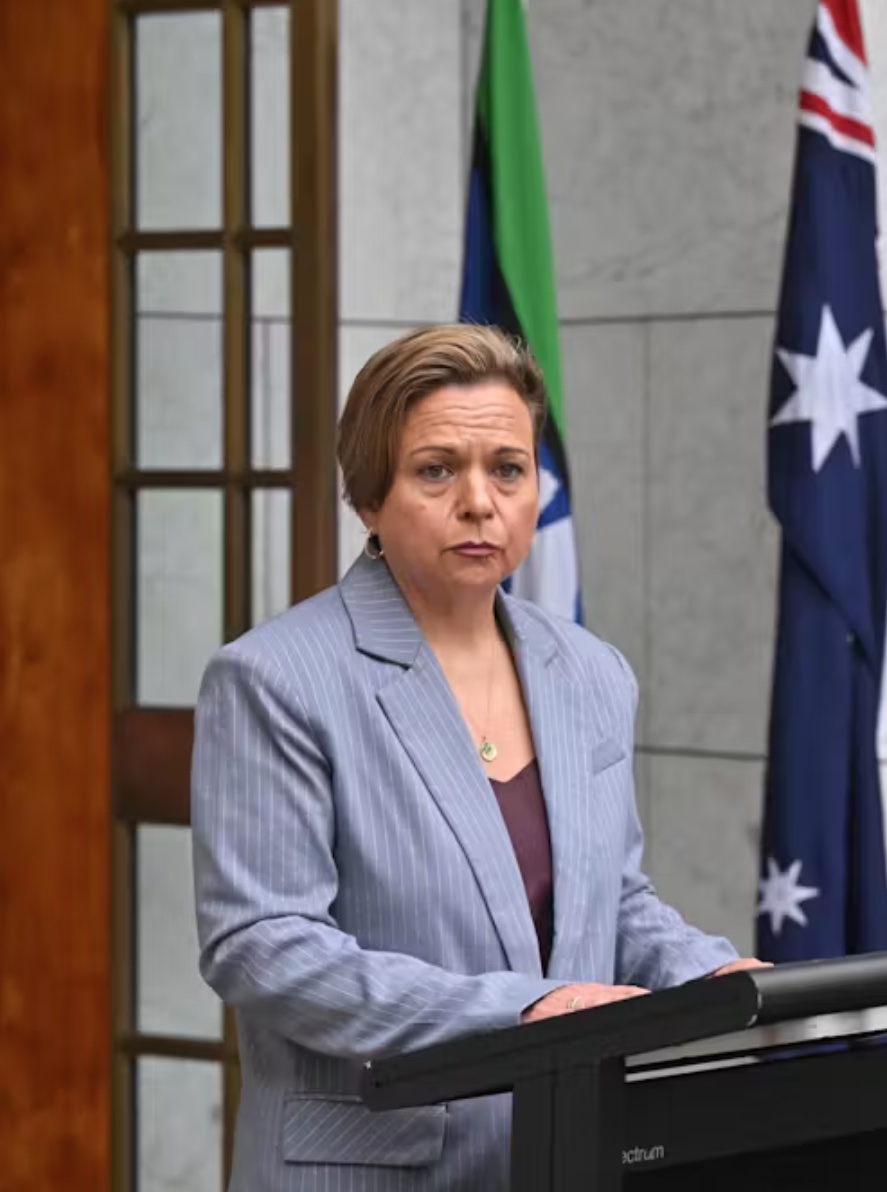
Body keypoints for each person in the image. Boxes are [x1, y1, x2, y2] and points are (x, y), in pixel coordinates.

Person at [191, 324, 765, 1190]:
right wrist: (524, 1011)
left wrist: (709, 973)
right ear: (368, 497)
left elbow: (614, 899)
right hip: (373, 1166)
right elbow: (264, 946)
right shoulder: (275, 679)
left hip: (562, 1154)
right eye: (435, 470)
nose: (479, 501)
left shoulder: (592, 672)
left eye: (508, 468)